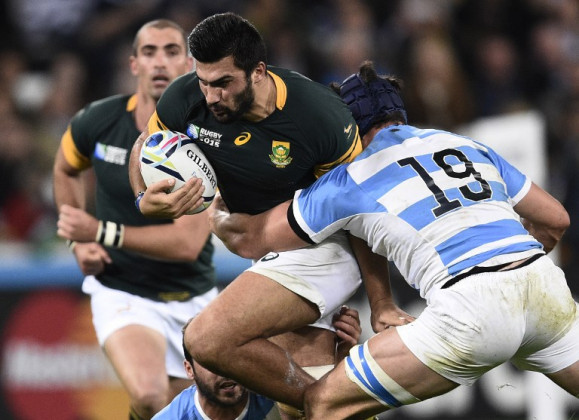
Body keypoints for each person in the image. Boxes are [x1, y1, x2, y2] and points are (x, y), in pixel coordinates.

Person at [206, 60, 579, 419]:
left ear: (344, 126)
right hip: (543, 285)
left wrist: (216, 208)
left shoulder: (349, 177)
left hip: (471, 307)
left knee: (324, 403)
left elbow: (251, 241)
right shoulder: (463, 143)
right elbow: (555, 221)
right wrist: (513, 273)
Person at [128, 12, 412, 416]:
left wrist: (381, 301)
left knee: (208, 340)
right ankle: (329, 403)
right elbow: (145, 144)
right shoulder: (186, 97)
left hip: (324, 242)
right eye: (204, 82)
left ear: (258, 71)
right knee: (296, 383)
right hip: (266, 248)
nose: (211, 97)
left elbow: (358, 216)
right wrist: (142, 197)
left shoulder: (319, 118)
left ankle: (329, 402)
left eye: (224, 83)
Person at [52, 20, 218, 420]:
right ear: (133, 64)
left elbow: (186, 244)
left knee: (195, 408)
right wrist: (80, 244)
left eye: (171, 50)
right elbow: (64, 169)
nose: (160, 61)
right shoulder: (99, 119)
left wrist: (100, 231)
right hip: (122, 292)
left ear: (189, 63)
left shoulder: (206, 136)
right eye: (149, 52)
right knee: (149, 396)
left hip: (192, 296)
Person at [153, 306, 362, 420]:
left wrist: (342, 356)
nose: (225, 369)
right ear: (189, 370)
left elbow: (331, 406)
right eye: (211, 362)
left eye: (230, 358)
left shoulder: (273, 386)